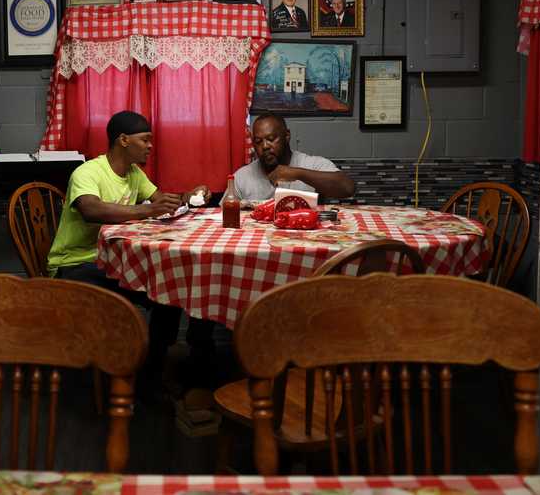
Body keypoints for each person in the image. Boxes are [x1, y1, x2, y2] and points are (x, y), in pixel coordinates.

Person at [46, 111, 208, 381]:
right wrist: (147, 212)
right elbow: (90, 209)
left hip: (112, 260)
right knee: (162, 288)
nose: (150, 146)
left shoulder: (134, 173)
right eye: (145, 140)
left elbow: (159, 200)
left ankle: (153, 366)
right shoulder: (87, 172)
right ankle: (144, 374)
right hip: (76, 264)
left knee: (169, 289)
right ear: (123, 140)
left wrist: (186, 197)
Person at [234, 113, 355, 200]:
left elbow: (348, 188)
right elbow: (222, 216)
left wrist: (296, 173)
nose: (265, 146)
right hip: (258, 234)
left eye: (271, 139)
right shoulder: (241, 176)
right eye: (258, 141)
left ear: (287, 136)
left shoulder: (311, 164)